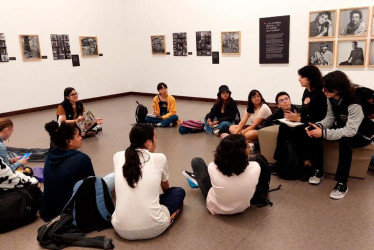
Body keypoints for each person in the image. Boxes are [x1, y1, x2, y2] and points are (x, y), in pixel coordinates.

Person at [112, 124, 185, 240]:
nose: (156, 140)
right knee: (178, 192)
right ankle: (170, 215)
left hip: (120, 228)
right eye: (155, 137)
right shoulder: (159, 158)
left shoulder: (117, 156)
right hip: (154, 228)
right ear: (148, 142)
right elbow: (166, 189)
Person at [306, 71, 372, 199]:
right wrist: (318, 126)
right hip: (346, 127)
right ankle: (318, 170)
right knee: (314, 132)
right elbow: (330, 118)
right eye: (323, 86)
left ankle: (342, 183)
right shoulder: (330, 97)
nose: (323, 90)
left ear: (338, 88)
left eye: (326, 87)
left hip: (363, 133)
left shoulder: (354, 102)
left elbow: (350, 130)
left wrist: (324, 133)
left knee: (345, 141)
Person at [41, 121, 114, 222]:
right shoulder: (81, 159)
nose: (81, 138)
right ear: (69, 141)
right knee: (113, 177)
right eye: (78, 136)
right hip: (73, 213)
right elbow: (92, 188)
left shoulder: (49, 157)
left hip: (50, 212)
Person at [183, 134, 262, 215]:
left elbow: (219, 164)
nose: (249, 149)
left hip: (215, 208)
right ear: (243, 153)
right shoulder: (256, 167)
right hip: (242, 208)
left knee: (196, 161)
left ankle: (197, 180)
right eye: (247, 147)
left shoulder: (212, 167)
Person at [275, 66, 327, 181]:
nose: (299, 79)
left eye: (302, 76)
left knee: (305, 131)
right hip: (306, 121)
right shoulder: (306, 91)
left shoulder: (321, 93)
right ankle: (280, 160)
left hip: (318, 123)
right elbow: (304, 111)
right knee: (284, 127)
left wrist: (299, 119)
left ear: (310, 78)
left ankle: (312, 167)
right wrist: (295, 117)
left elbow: (320, 117)